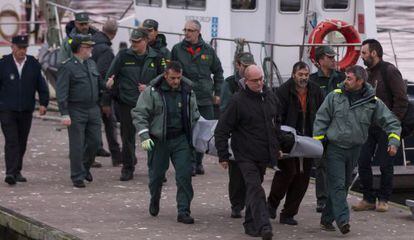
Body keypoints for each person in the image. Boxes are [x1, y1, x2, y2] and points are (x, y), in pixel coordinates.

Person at [313, 65, 401, 234]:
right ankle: (343, 221)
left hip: (354, 150)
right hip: (335, 149)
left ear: (360, 81)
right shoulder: (334, 97)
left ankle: (326, 219)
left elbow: (392, 122)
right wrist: (318, 146)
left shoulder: (372, 102)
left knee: (344, 185)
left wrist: (393, 142)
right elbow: (321, 119)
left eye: (349, 78)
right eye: (346, 77)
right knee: (338, 185)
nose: (345, 80)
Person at [215, 65, 281, 240]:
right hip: (244, 154)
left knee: (254, 189)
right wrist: (223, 155)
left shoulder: (269, 97)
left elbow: (275, 125)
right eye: (254, 80)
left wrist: (276, 149)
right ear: (245, 80)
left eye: (261, 79)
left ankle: (250, 225)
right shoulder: (237, 101)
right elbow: (222, 129)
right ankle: (264, 226)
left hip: (263, 154)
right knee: (255, 188)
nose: (259, 83)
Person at [132, 61, 200, 224]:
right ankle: (154, 198)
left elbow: (195, 114)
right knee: (156, 177)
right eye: (172, 78)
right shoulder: (152, 92)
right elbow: (139, 114)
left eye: (178, 77)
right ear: (165, 75)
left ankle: (183, 211)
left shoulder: (188, 91)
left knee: (184, 176)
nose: (176, 81)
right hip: (158, 141)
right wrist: (144, 136)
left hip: (181, 140)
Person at [352, 39, 409, 212]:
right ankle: (368, 198)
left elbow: (401, 100)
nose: (361, 56)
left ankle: (384, 199)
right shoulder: (366, 74)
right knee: (362, 161)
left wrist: (392, 123)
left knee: (386, 164)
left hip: (387, 126)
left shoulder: (389, 71)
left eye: (364, 53)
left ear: (374, 53)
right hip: (368, 126)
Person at [105, 28, 166, 181]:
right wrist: (109, 93)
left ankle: (156, 169)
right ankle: (127, 167)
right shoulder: (123, 56)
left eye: (137, 42)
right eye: (132, 41)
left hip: (150, 105)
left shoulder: (157, 57)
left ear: (145, 41)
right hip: (128, 103)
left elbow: (164, 80)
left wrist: (150, 87)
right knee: (127, 138)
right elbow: (111, 77)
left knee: (153, 137)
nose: (133, 44)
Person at [267, 62, 323, 225]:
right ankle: (271, 205)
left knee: (303, 178)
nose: (304, 78)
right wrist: (279, 139)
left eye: (306, 75)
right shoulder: (283, 91)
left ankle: (289, 213)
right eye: (300, 74)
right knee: (287, 172)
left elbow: (322, 112)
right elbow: (276, 117)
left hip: (309, 140)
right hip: (288, 139)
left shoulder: (315, 91)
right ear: (293, 75)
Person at [171, 19, 224, 176]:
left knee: (204, 130)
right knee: (187, 130)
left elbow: (218, 72)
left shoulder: (208, 50)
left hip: (205, 97)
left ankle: (199, 162)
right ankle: (191, 163)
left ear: (198, 32)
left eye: (190, 30)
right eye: (185, 29)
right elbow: (171, 71)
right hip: (185, 95)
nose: (186, 33)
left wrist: (218, 93)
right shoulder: (177, 49)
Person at [56, 34, 105, 188]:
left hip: (93, 108)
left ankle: (84, 168)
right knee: (77, 145)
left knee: (95, 142)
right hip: (76, 109)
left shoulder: (91, 64)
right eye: (87, 46)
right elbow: (61, 92)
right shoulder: (67, 66)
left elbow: (99, 83)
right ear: (78, 48)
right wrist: (64, 113)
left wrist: (107, 85)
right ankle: (77, 175)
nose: (91, 49)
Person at [0, 35, 49, 185]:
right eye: (19, 48)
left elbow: (41, 85)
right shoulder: (3, 64)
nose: (22, 51)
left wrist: (43, 103)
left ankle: (17, 170)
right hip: (7, 109)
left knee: (22, 142)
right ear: (12, 47)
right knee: (12, 141)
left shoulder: (33, 64)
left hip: (26, 109)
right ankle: (10, 172)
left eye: (24, 48)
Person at [309, 46, 345, 213]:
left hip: (339, 128)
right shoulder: (312, 81)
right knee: (321, 165)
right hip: (321, 128)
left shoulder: (342, 78)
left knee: (340, 165)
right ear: (320, 60)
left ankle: (337, 199)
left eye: (333, 57)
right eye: (329, 57)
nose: (333, 60)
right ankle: (322, 200)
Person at [219, 52, 255, 218]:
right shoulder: (229, 84)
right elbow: (225, 109)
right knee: (235, 173)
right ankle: (236, 204)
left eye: (249, 65)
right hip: (236, 133)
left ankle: (250, 203)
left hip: (254, 134)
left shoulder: (258, 81)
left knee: (253, 172)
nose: (247, 68)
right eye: (244, 66)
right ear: (237, 65)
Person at [91, 18, 122, 166]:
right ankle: (116, 157)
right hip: (101, 96)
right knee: (110, 124)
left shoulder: (91, 43)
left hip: (90, 94)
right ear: (114, 33)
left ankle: (92, 155)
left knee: (92, 127)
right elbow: (106, 76)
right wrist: (106, 101)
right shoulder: (106, 51)